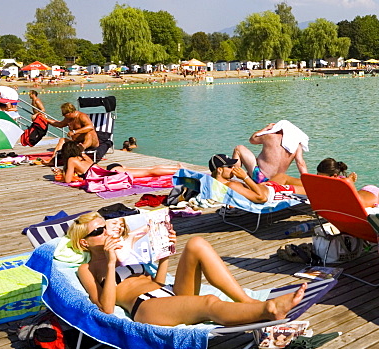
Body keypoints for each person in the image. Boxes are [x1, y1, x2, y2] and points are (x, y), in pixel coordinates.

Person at [68, 212, 306, 327]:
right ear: (84, 242)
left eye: (105, 227)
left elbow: (158, 282)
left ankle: (246, 301)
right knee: (208, 302)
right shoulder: (87, 268)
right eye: (98, 231)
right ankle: (268, 309)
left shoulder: (127, 251)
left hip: (168, 294)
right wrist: (110, 264)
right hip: (146, 308)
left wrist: (164, 253)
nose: (106, 232)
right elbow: (107, 308)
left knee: (196, 244)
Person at [56, 140, 179, 184]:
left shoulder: (71, 160)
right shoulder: (82, 156)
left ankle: (177, 170)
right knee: (149, 169)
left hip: (111, 172)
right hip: (110, 168)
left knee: (149, 173)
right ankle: (175, 168)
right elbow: (88, 168)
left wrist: (61, 175)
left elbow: (67, 180)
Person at [233, 121, 309, 188]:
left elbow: (252, 139)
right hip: (277, 181)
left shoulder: (270, 136)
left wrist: (265, 129)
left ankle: (234, 176)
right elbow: (300, 163)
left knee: (239, 148)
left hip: (260, 177)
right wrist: (307, 182)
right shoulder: (296, 145)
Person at [208, 153, 279, 204]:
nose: (233, 168)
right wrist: (245, 177)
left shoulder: (221, 184)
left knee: (280, 177)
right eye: (230, 167)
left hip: (267, 189)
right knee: (282, 178)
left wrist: (260, 185)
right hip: (274, 194)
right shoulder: (231, 185)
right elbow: (262, 198)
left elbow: (247, 191)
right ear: (220, 170)